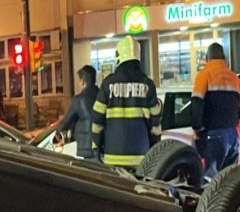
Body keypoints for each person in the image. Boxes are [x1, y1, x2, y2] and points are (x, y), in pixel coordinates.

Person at [91, 36, 161, 167]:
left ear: (118, 56)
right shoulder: (148, 84)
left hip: (112, 157)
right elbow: (155, 124)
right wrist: (153, 148)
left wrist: (97, 147)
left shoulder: (107, 84)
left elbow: (97, 121)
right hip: (141, 158)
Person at [191, 43, 240, 180]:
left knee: (209, 180)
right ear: (224, 58)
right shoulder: (234, 78)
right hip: (232, 136)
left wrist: (197, 129)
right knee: (229, 180)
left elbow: (196, 104)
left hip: (214, 134)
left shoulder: (204, 75)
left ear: (207, 58)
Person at [54, 65, 99, 158]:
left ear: (83, 81)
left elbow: (66, 121)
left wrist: (58, 131)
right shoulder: (102, 96)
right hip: (102, 146)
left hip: (86, 148)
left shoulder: (79, 100)